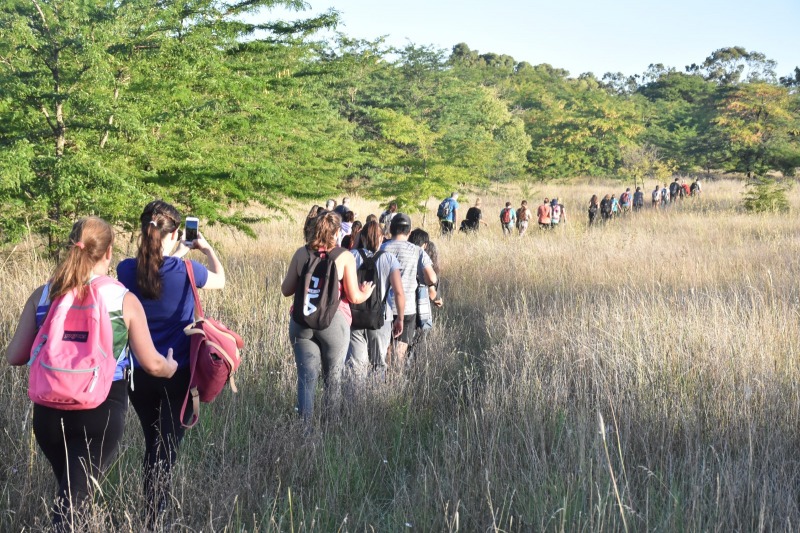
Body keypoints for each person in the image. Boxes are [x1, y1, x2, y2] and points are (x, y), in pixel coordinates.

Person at [6, 217, 177, 530]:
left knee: (71, 496)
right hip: (100, 409)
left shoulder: (43, 296)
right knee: (73, 505)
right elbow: (152, 364)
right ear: (109, 252)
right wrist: (171, 366)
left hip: (47, 412)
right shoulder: (122, 298)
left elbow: (14, 356)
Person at [117, 200, 226, 527]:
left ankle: (150, 512)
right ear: (176, 232)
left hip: (138, 375)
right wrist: (205, 249)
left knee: (153, 443)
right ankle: (154, 516)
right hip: (177, 374)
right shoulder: (189, 271)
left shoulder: (125, 270)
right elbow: (221, 279)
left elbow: (154, 270)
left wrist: (176, 252)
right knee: (166, 449)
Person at [281, 211, 375, 421]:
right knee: (332, 377)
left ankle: (304, 430)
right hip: (333, 323)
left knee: (306, 379)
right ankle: (330, 426)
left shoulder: (301, 254)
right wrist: (366, 292)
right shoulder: (344, 256)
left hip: (301, 322)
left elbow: (286, 290)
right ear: (337, 232)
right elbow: (354, 296)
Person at [347, 220, 404, 377]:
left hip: (354, 316)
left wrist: (356, 241)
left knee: (356, 365)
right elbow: (399, 292)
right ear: (382, 238)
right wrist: (400, 318)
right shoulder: (389, 259)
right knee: (378, 363)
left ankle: (355, 398)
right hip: (381, 318)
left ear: (363, 238)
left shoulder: (351, 256)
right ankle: (375, 397)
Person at [380, 214, 438, 368]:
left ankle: (383, 381)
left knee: (385, 349)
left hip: (382, 308)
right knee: (399, 351)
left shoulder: (382, 248)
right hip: (407, 308)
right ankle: (395, 381)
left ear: (391, 229)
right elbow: (432, 278)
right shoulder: (417, 251)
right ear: (410, 231)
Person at [408, 230, 443, 352]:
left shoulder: (406, 253)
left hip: (404, 303)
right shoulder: (423, 257)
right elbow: (432, 292)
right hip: (419, 305)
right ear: (425, 245)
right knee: (416, 342)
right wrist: (438, 299)